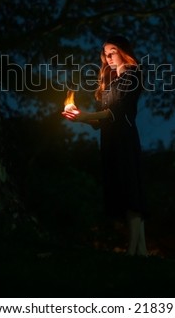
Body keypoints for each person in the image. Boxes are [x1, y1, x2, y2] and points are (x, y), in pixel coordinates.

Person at [62, 35, 148, 257]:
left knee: (131, 190)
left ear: (123, 52)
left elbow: (116, 113)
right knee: (123, 190)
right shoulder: (107, 82)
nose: (108, 57)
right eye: (105, 53)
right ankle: (142, 251)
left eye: (113, 52)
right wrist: (79, 116)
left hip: (125, 137)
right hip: (109, 141)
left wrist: (85, 116)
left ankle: (132, 251)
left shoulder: (133, 75)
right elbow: (100, 122)